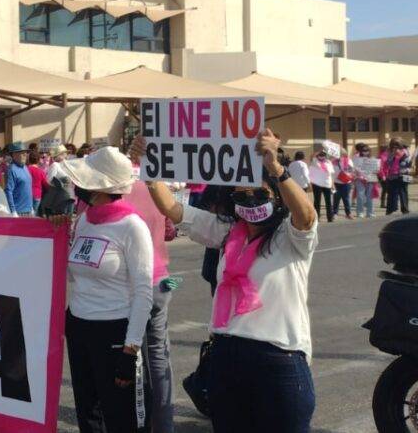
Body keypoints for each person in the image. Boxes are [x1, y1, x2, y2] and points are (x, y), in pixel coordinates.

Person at [143, 128, 318, 433]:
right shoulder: (227, 233)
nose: (251, 201)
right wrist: (149, 167)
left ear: (276, 195)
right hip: (226, 358)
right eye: (242, 195)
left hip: (279, 361)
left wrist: (275, 167)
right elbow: (174, 209)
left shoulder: (290, 238)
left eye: (260, 194)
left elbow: (306, 215)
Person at [57, 147, 154, 433]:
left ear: (100, 187)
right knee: (88, 412)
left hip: (114, 332)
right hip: (78, 326)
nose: (78, 187)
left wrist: (130, 349)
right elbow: (73, 271)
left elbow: (143, 293)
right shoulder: (85, 219)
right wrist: (56, 235)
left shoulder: (132, 227)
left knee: (121, 417)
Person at [4, 142, 34, 216]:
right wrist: (13, 211)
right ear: (14, 155)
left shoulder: (25, 167)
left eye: (26, 153)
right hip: (19, 212)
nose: (25, 155)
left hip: (29, 210)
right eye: (22, 153)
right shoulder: (11, 169)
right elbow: (8, 191)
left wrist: (31, 207)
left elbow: (27, 188)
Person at [383, 139, 412, 215]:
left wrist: (406, 170)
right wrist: (392, 156)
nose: (395, 149)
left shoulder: (406, 153)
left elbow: (409, 165)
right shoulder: (390, 154)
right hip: (392, 177)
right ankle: (390, 210)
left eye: (397, 146)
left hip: (403, 176)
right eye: (393, 147)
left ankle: (405, 209)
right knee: (391, 194)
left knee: (403, 193)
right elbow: (388, 164)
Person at [308, 147, 334, 223]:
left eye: (323, 155)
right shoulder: (315, 161)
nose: (322, 156)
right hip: (317, 184)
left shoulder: (328, 162)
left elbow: (331, 174)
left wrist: (332, 184)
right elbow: (311, 156)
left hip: (327, 184)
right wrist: (318, 151)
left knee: (328, 202)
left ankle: (330, 218)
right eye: (320, 155)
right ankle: (316, 217)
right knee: (317, 202)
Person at [350, 142, 376, 219]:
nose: (365, 152)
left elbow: (375, 170)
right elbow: (353, 169)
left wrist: (375, 172)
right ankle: (360, 212)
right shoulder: (356, 158)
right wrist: (359, 176)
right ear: (361, 151)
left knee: (370, 197)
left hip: (370, 179)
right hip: (360, 180)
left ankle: (370, 212)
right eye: (364, 150)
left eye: (367, 150)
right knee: (360, 196)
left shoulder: (372, 158)